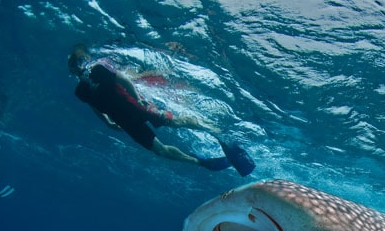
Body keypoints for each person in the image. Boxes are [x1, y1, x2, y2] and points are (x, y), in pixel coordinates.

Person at [67, 45, 254, 175]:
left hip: (138, 107)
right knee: (160, 150)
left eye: (80, 60)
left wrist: (139, 98)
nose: (78, 66)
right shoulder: (80, 91)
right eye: (75, 65)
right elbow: (94, 107)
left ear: (87, 58)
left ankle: (218, 134)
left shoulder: (98, 69)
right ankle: (203, 162)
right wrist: (107, 122)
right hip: (126, 122)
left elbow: (123, 80)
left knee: (177, 122)